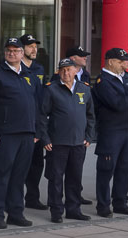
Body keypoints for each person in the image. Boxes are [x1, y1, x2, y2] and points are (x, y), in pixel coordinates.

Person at [0, 37, 39, 229]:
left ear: (22, 53)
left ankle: (16, 213)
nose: (12, 54)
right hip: (6, 134)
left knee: (19, 176)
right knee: (2, 175)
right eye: (9, 51)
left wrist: (37, 130)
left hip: (27, 133)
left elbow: (38, 104)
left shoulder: (30, 74)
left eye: (16, 51)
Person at [92, 48, 128, 217]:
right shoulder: (103, 81)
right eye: (121, 61)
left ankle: (120, 202)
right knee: (106, 169)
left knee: (124, 169)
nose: (126, 64)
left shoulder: (125, 77)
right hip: (111, 131)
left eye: (127, 61)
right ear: (110, 61)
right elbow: (117, 104)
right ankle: (103, 206)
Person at [38, 58, 95, 223]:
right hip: (57, 143)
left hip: (78, 143)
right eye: (62, 70)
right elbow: (42, 116)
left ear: (76, 71)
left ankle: (73, 209)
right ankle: (56, 211)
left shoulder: (84, 89)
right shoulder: (51, 89)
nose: (66, 73)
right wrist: (45, 138)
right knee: (56, 178)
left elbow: (91, 115)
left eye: (69, 69)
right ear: (58, 72)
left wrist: (89, 136)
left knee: (75, 178)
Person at [20, 34, 48, 211]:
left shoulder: (39, 68)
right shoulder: (14, 68)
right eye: (30, 46)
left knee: (37, 163)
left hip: (37, 121)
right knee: (20, 164)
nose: (34, 49)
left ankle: (32, 197)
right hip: (21, 122)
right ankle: (13, 199)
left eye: (35, 46)